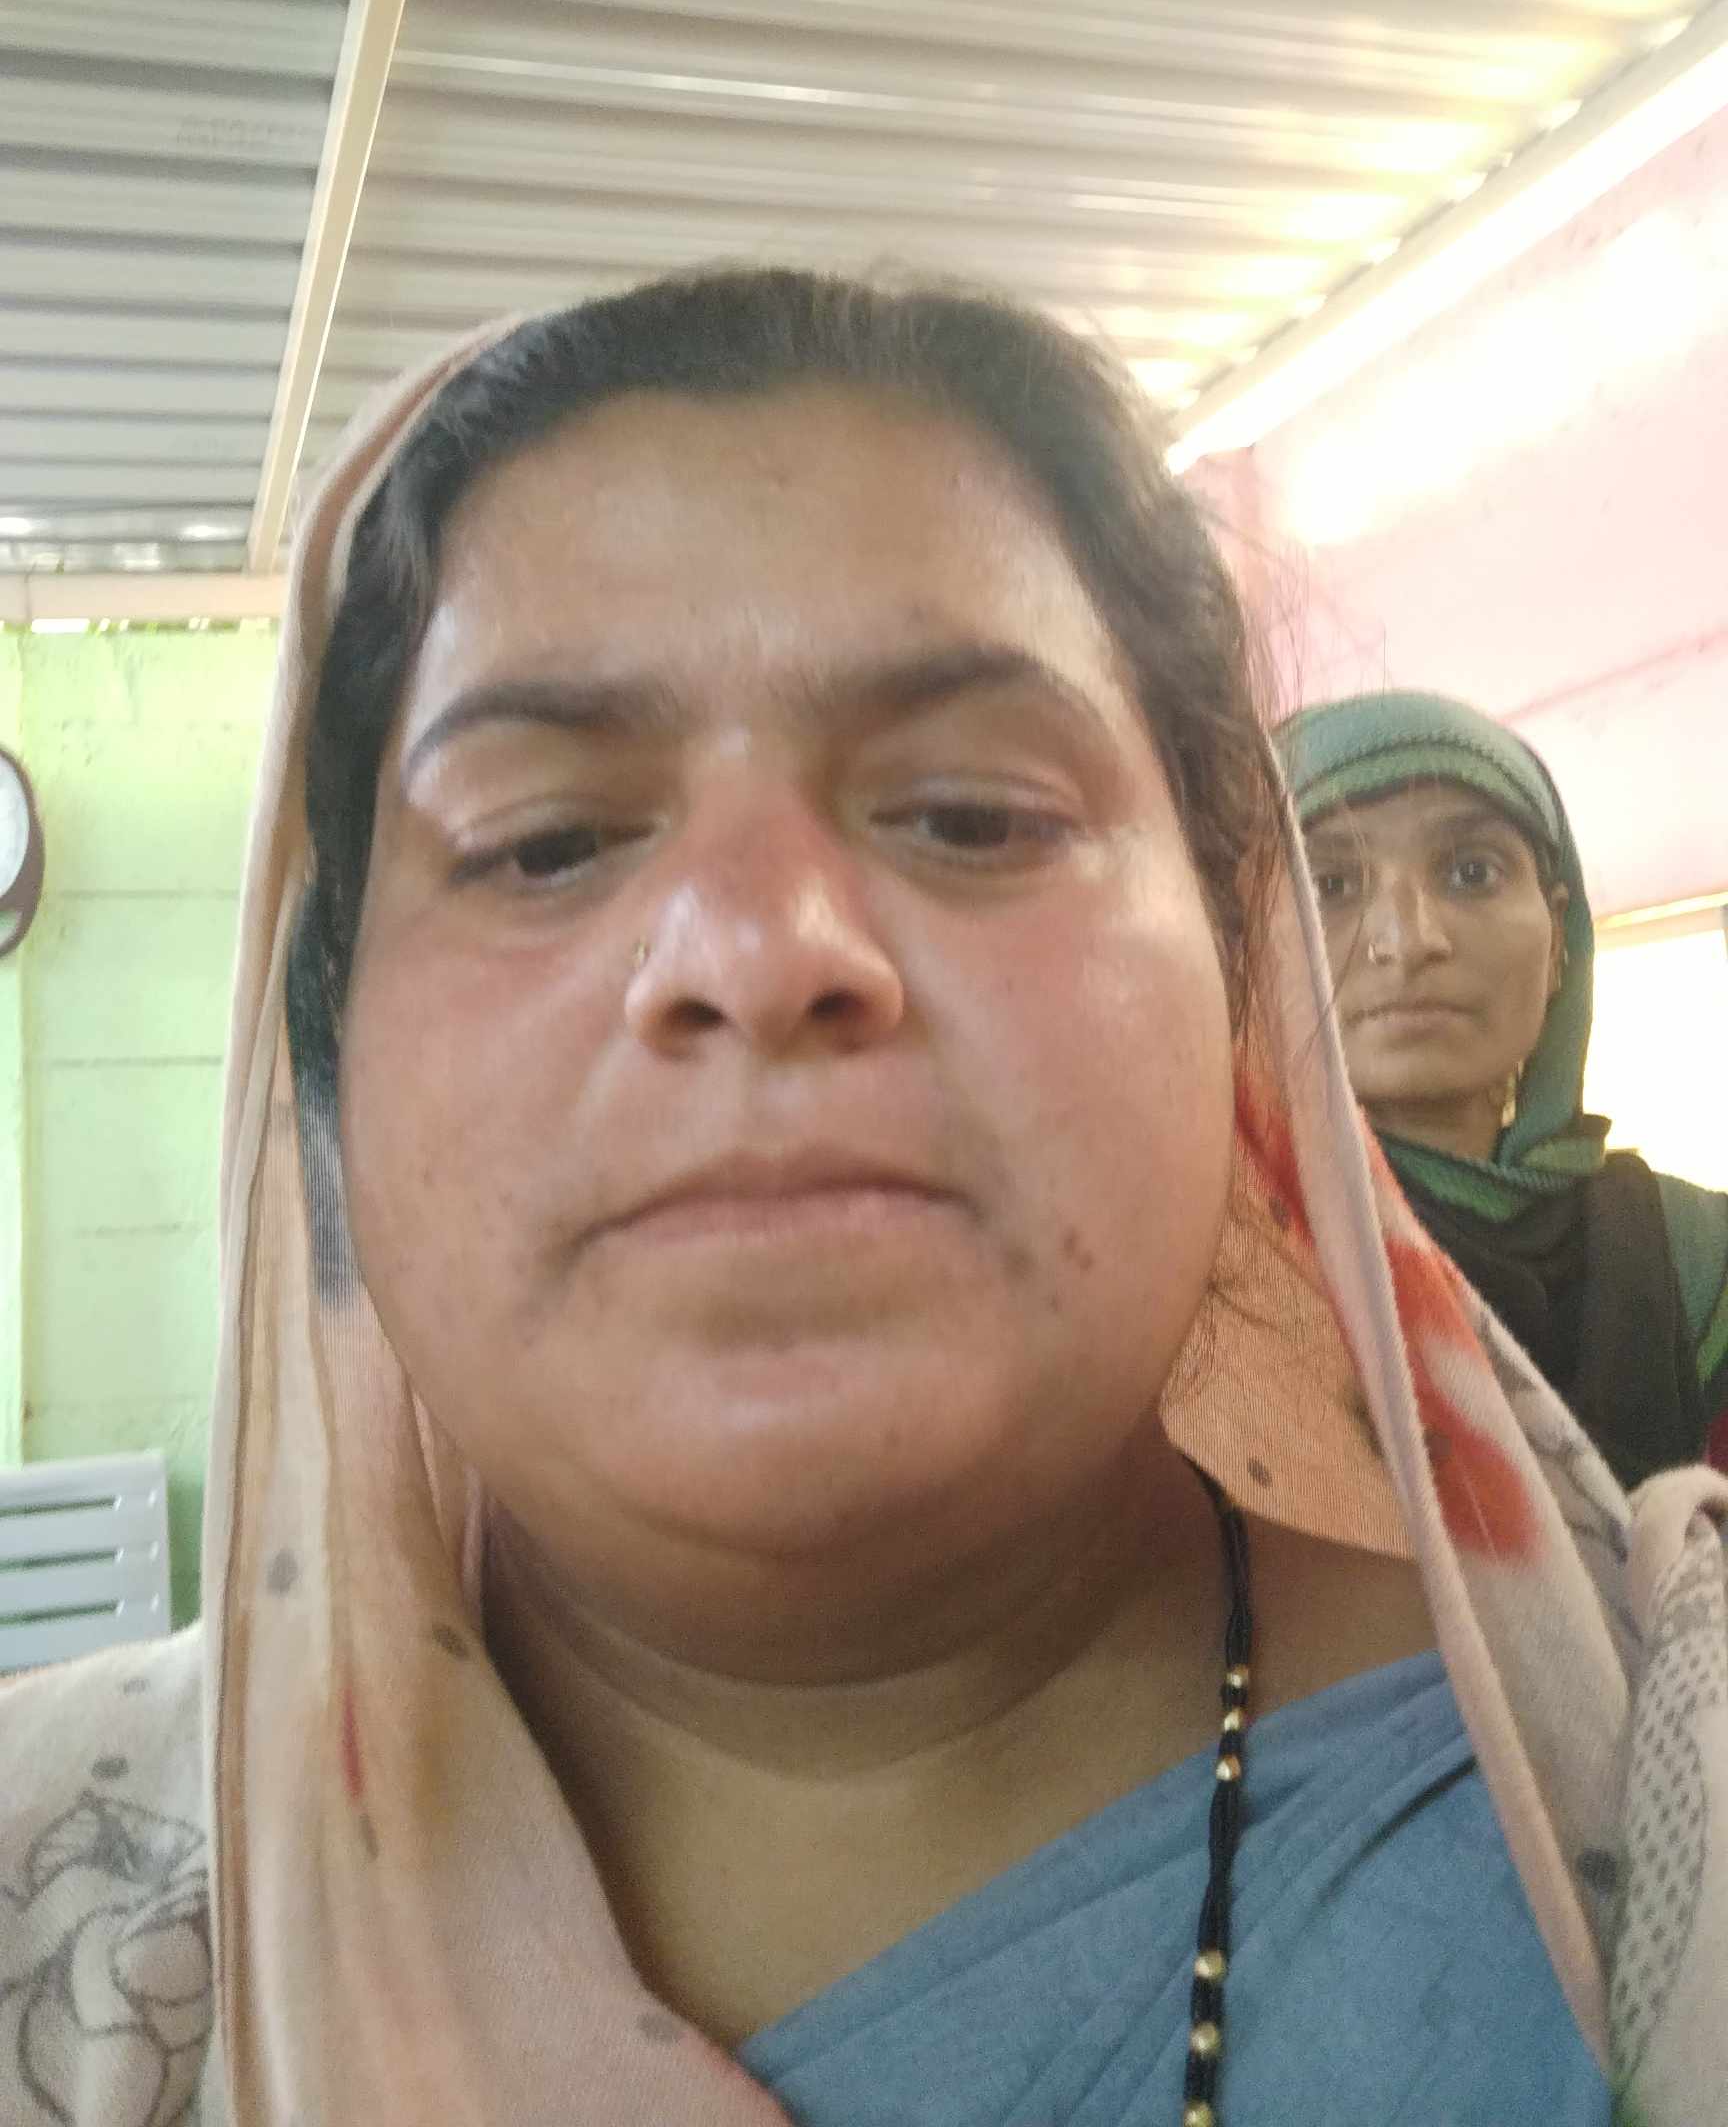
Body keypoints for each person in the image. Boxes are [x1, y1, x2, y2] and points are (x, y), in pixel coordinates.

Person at [1, 271, 1723, 2127]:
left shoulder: (1652, 1780)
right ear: (329, 1047)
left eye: (972, 814)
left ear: (1240, 978)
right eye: (544, 839)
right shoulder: (71, 1891)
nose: (757, 947)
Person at [1276, 692, 1728, 1491]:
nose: (1409, 940)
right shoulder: (1219, 1277)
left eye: (1471, 873)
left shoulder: (1700, 1255)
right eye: (1330, 885)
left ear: (1558, 943)